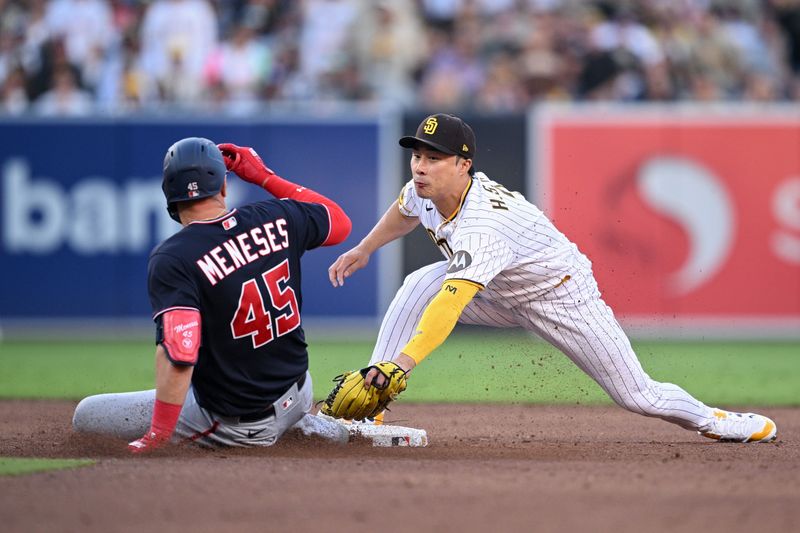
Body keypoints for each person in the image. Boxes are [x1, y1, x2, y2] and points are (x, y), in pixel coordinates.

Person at [327, 113, 777, 443]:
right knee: (415, 284)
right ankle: (372, 407)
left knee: (638, 395)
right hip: (502, 292)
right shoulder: (426, 189)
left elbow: (450, 302)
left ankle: (718, 422)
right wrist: (365, 248)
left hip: (561, 297)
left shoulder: (485, 226)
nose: (420, 166)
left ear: (464, 165)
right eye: (418, 156)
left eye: (435, 158)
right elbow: (404, 211)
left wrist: (401, 364)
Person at [73, 137, 352, 452]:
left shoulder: (173, 257)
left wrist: (159, 435)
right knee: (212, 377)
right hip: (298, 391)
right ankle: (299, 421)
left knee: (87, 416)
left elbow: (180, 353)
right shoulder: (277, 216)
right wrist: (263, 176)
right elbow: (340, 223)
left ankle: (278, 429)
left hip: (241, 423)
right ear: (223, 187)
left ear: (169, 197)